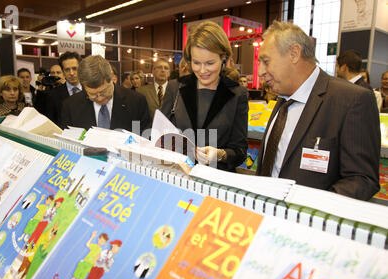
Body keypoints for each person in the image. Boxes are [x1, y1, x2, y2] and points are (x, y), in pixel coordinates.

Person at [255, 21, 380, 201]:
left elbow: (362, 180)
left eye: (266, 62)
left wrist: (309, 209)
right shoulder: (282, 100)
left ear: (294, 53)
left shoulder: (351, 101)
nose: (260, 72)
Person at [161, 21, 249, 172]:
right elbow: (158, 133)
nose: (202, 70)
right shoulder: (175, 88)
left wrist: (220, 155)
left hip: (215, 179)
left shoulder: (237, 94)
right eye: (196, 63)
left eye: (209, 63)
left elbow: (240, 152)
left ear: (223, 58)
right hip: (177, 175)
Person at [59, 55, 151, 133]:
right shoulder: (71, 106)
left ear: (112, 77)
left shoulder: (136, 102)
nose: (99, 98)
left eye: (103, 92)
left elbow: (141, 137)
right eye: (92, 94)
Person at [45, 51, 82, 124]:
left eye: (74, 68)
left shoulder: (90, 91)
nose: (71, 73)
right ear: (63, 72)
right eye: (67, 70)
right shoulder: (52, 95)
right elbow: (51, 123)